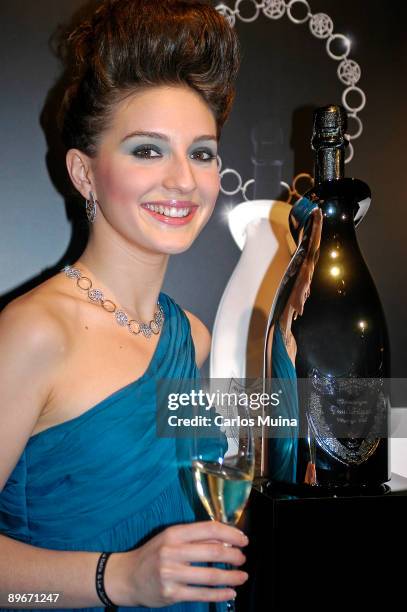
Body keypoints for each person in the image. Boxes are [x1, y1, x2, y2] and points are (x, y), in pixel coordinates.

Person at [0, 1, 249, 610]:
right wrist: (120, 577)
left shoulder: (191, 337)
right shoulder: (35, 333)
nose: (184, 181)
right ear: (85, 174)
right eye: (147, 150)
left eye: (202, 152)